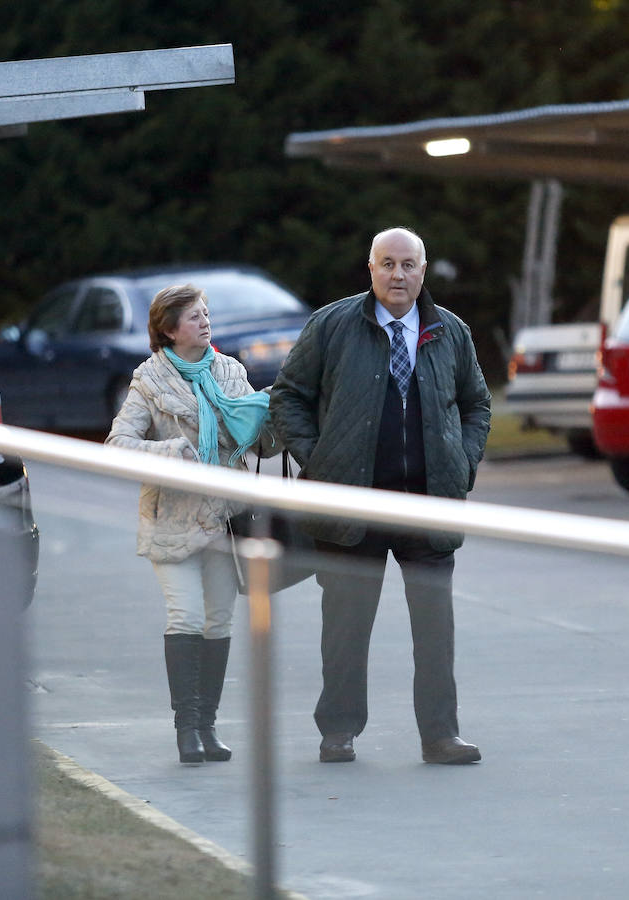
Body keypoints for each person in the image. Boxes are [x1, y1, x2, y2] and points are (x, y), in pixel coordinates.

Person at [270, 227, 491, 765]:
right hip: (353, 508)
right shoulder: (331, 324)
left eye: (408, 264)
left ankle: (441, 735)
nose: (398, 274)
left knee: (435, 630)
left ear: (423, 269)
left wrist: (461, 464)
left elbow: (476, 404)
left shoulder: (450, 330)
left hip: (427, 503)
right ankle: (338, 731)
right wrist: (320, 461)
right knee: (345, 626)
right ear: (370, 268)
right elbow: (288, 397)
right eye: (387, 264)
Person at [106, 283, 276, 764]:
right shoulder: (150, 381)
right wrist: (169, 451)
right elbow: (117, 445)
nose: (205, 322)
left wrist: (266, 418)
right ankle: (186, 729)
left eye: (206, 313)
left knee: (219, 620)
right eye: (194, 316)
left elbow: (258, 445)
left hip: (224, 519)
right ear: (168, 329)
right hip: (172, 521)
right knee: (187, 616)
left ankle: (207, 726)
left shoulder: (229, 370)